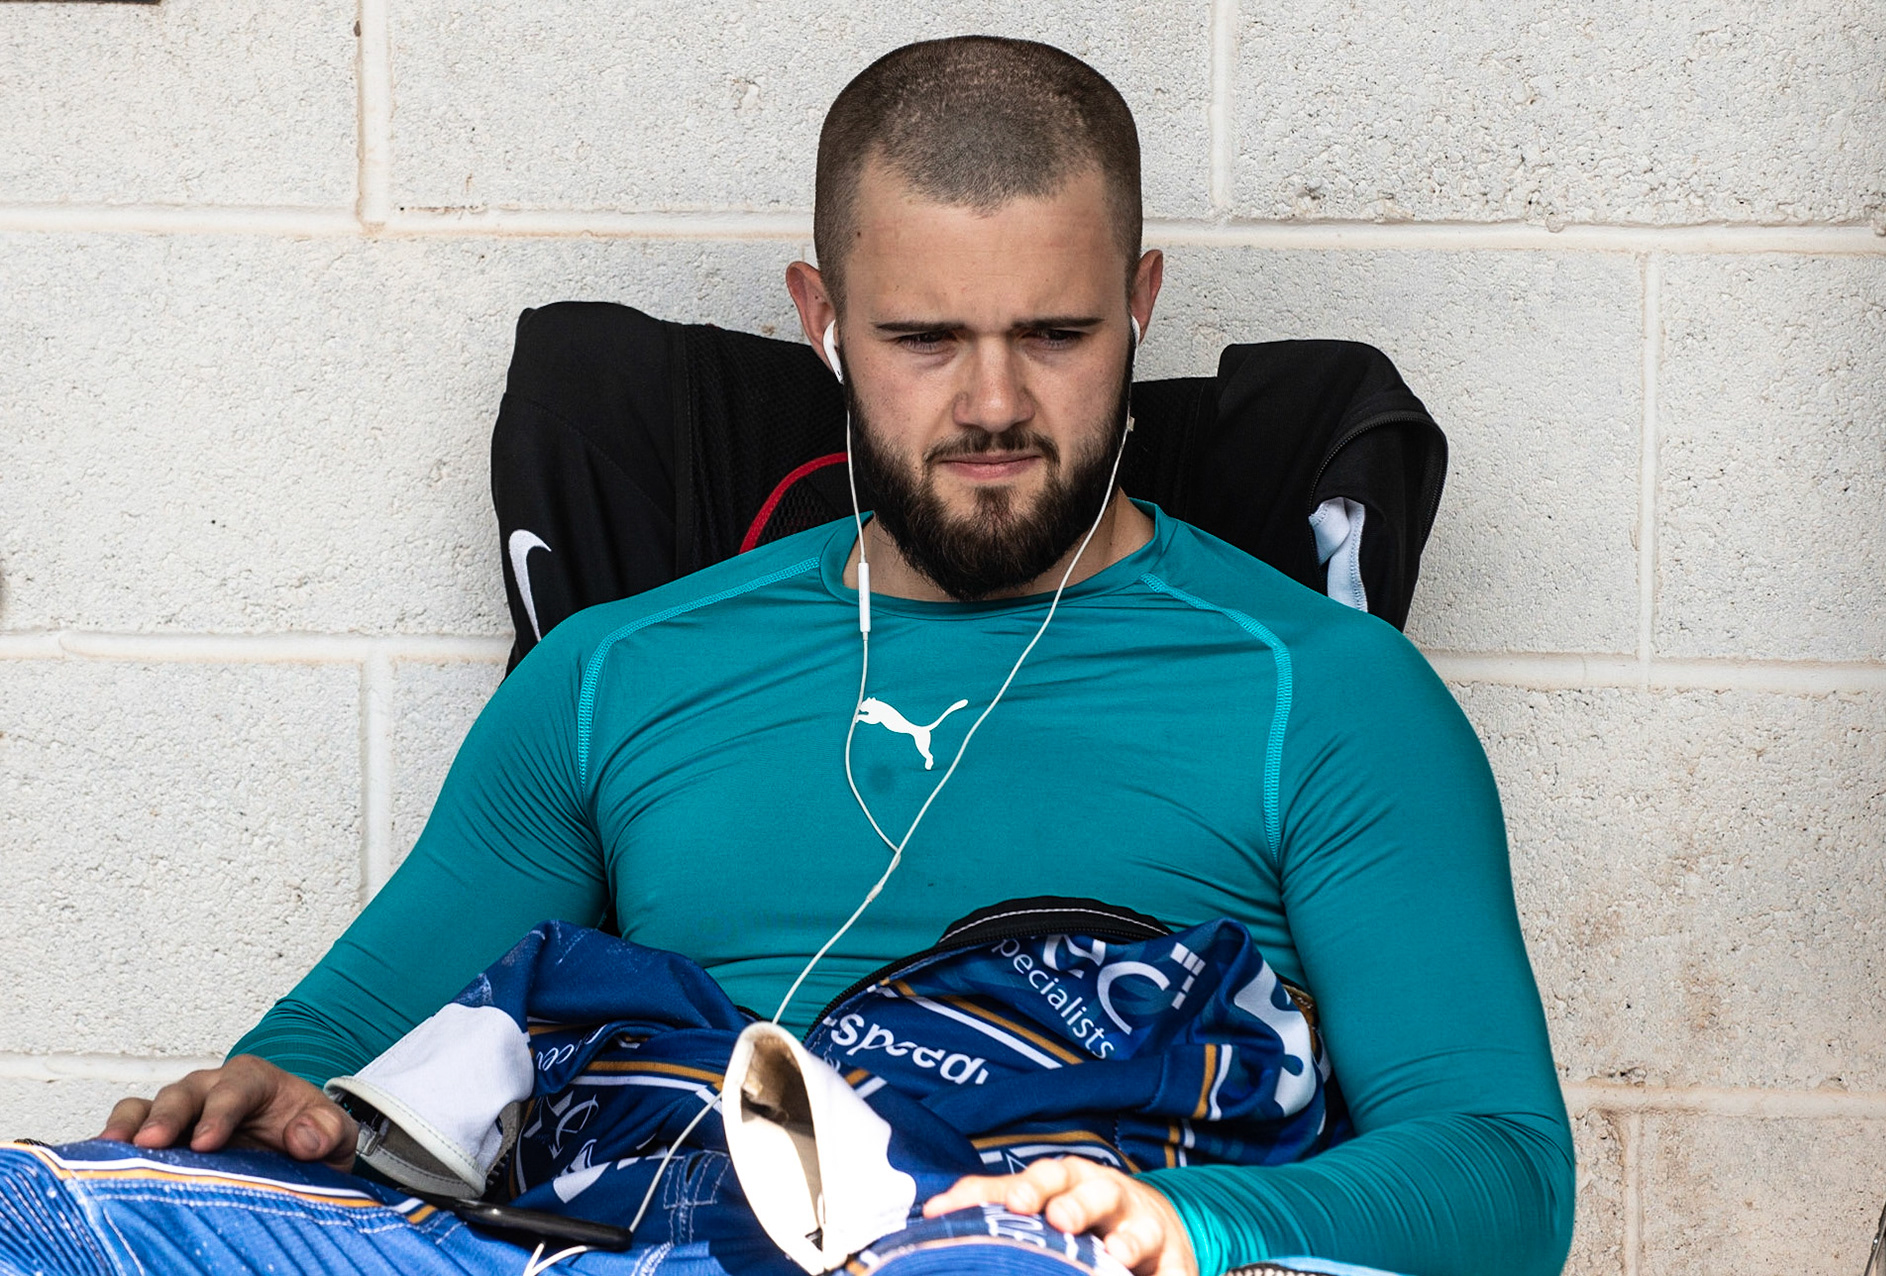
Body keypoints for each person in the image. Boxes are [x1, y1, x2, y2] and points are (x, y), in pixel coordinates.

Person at [68, 35, 1571, 1276]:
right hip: (592, 1235)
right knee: (45, 1222)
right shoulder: (617, 676)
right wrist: (262, 1101)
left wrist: (1195, 1226)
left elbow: (1501, 1176)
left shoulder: (1325, 697)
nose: (995, 404)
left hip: (1016, 1243)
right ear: (824, 322)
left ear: (1140, 307)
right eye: (924, 339)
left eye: (1056, 334)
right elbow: (335, 1052)